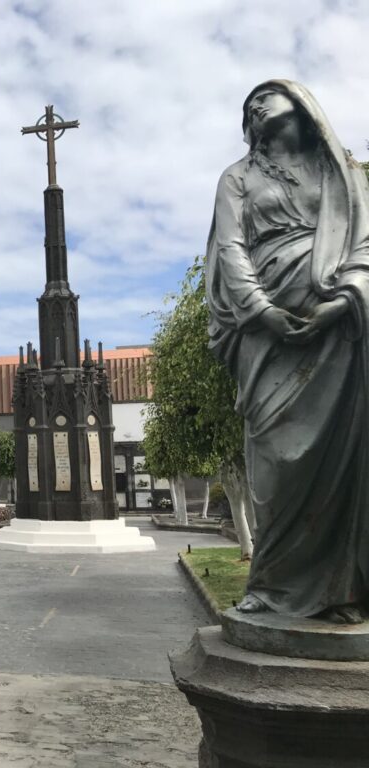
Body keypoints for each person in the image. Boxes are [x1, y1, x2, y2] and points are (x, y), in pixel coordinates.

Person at [206, 80, 369, 623]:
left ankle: (337, 591)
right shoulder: (238, 178)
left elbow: (363, 244)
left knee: (336, 460)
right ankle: (273, 586)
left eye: (266, 94)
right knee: (277, 462)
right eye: (248, 103)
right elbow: (230, 249)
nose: (254, 103)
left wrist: (345, 298)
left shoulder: (340, 171)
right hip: (267, 334)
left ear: (301, 104)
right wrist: (262, 311)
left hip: (335, 330)